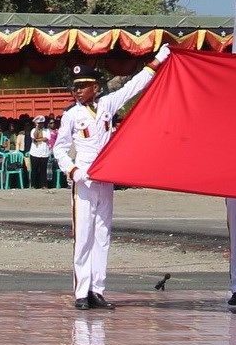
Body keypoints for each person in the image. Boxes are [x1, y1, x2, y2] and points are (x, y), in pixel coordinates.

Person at [54, 44, 170, 310]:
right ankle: (81, 292)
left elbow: (134, 86)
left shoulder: (107, 104)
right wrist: (72, 171)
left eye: (83, 86)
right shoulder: (71, 115)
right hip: (83, 180)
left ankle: (98, 289)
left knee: (103, 235)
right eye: (76, 87)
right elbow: (59, 149)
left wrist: (159, 59)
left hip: (106, 178)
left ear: (96, 87)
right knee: (83, 235)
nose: (78, 91)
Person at [27, 116, 52, 188]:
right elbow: (34, 136)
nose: (41, 125)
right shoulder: (33, 130)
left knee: (43, 170)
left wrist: (37, 140)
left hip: (44, 152)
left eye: (42, 123)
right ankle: (34, 185)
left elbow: (46, 139)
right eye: (39, 123)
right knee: (34, 169)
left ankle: (43, 185)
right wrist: (37, 128)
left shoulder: (46, 131)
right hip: (35, 152)